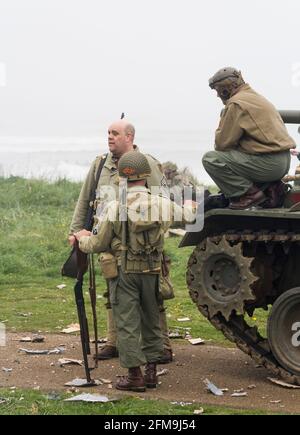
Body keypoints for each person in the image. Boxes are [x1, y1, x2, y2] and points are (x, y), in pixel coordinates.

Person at [75, 151, 195, 392]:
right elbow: (190, 217)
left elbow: (97, 244)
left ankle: (134, 376)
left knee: (127, 324)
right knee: (152, 321)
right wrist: (190, 205)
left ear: (121, 178)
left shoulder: (114, 207)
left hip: (123, 274)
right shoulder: (162, 204)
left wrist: (81, 239)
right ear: (146, 175)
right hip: (153, 272)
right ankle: (151, 373)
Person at [68, 119, 173, 363]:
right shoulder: (100, 165)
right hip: (108, 240)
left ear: (130, 137)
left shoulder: (147, 164)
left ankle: (162, 347)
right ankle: (113, 342)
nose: (110, 137)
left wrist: (157, 237)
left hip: (142, 245)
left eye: (115, 133)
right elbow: (85, 200)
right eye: (108, 133)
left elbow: (163, 203)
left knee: (153, 295)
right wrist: (76, 232)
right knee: (112, 293)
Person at [202, 67, 296, 210]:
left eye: (218, 90)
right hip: (282, 161)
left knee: (211, 159)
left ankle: (250, 195)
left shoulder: (236, 103)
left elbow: (222, 144)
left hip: (269, 164)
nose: (218, 95)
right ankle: (265, 189)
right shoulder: (255, 97)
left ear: (228, 87)